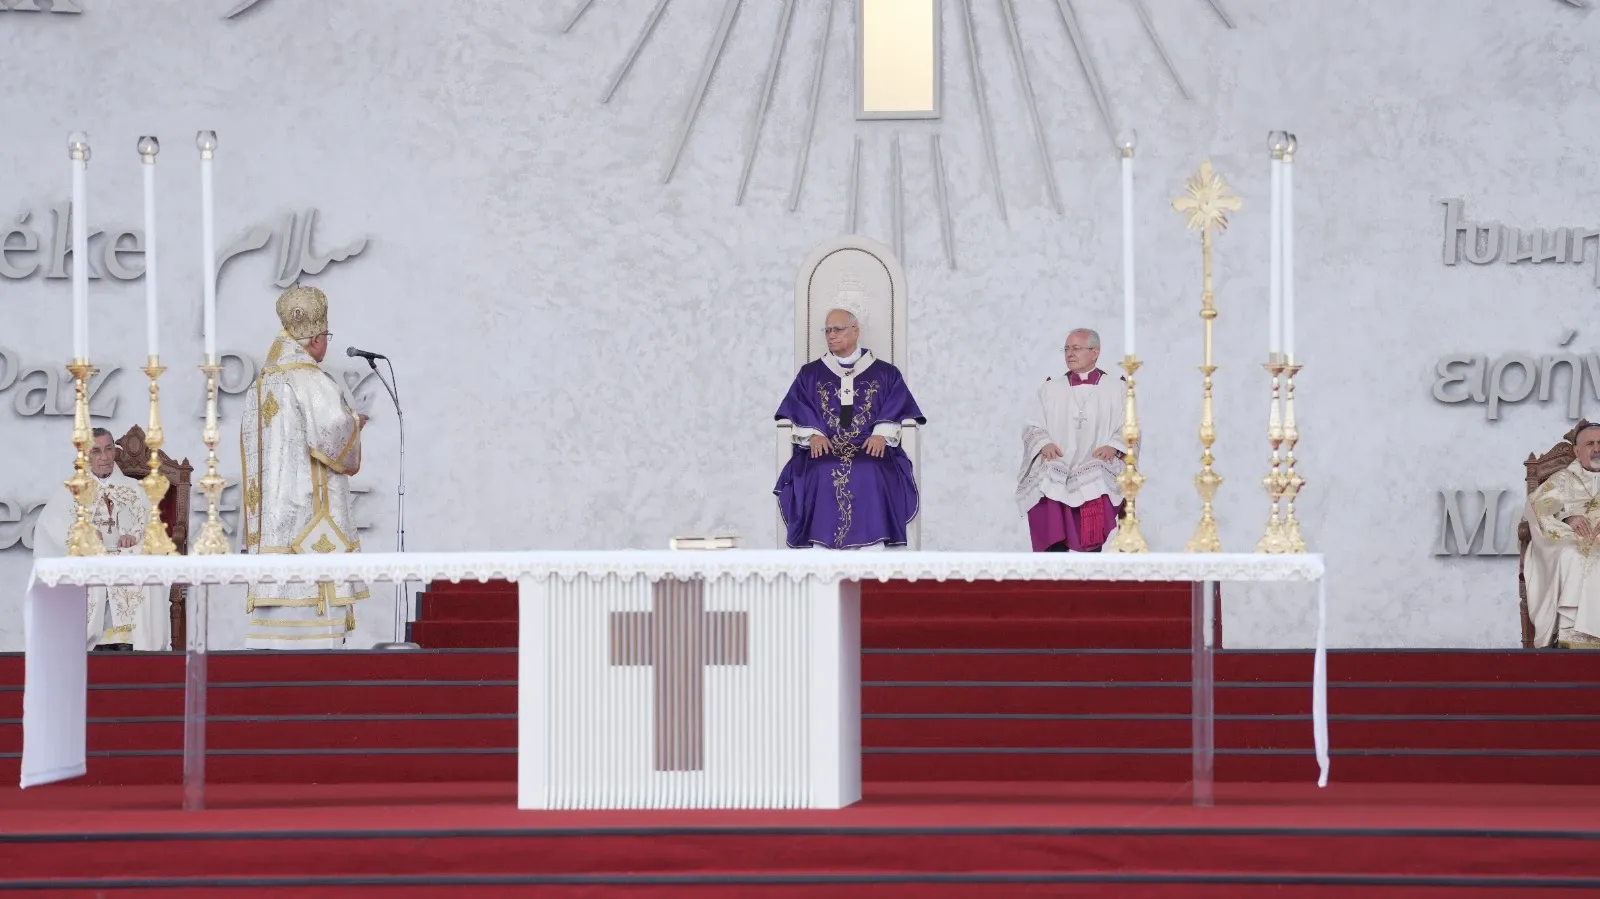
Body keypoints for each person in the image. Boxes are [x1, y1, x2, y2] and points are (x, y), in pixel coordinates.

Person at [239, 285, 370, 649]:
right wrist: (356, 423)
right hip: (308, 521)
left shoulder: (261, 384)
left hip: (273, 525)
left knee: (273, 650)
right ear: (314, 339)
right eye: (326, 336)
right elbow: (332, 434)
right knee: (313, 646)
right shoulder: (310, 380)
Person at [775, 305, 925, 549]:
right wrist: (813, 434)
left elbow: (898, 405)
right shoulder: (810, 374)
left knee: (872, 468)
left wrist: (881, 435)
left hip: (870, 446)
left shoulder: (886, 373)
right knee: (819, 470)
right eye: (827, 330)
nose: (831, 335)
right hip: (824, 446)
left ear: (855, 331)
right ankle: (821, 553)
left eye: (838, 329)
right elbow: (798, 406)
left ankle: (874, 551)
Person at [33, 428, 171, 651]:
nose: (105, 457)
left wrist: (135, 537)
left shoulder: (136, 489)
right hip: (90, 559)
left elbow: (152, 529)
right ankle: (88, 644)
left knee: (144, 572)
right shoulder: (71, 491)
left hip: (127, 558)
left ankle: (133, 642)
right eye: (96, 451)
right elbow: (51, 527)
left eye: (109, 449)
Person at [1015, 328, 1128, 552]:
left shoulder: (1118, 388)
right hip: (1060, 458)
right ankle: (1053, 553)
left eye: (1076, 348)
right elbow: (1033, 424)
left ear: (1095, 352)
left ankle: (1089, 554)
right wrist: (1043, 443)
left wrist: (1114, 446)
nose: (1069, 354)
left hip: (1097, 460)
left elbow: (1131, 425)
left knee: (1095, 477)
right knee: (1048, 474)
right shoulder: (1050, 388)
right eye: (1066, 349)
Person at [1523, 420, 1600, 649]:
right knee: (1572, 555)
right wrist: (1568, 517)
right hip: (1571, 539)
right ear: (1577, 451)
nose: (1596, 448)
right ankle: (1574, 634)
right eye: (1590, 444)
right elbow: (1537, 508)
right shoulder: (1562, 479)